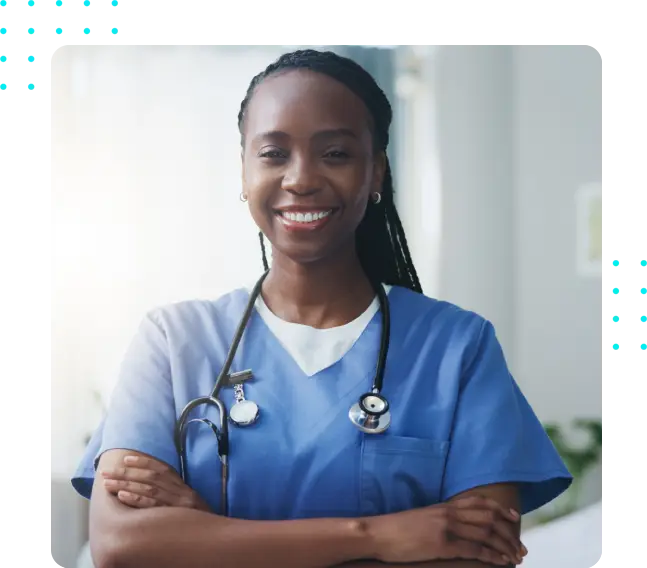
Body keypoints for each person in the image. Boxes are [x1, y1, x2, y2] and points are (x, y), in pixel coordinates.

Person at [71, 49, 572, 568]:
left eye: (335, 153)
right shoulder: (172, 341)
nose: (301, 178)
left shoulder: (458, 347)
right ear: (243, 173)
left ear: (376, 172)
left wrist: (207, 534)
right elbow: (122, 546)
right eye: (273, 154)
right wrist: (375, 535)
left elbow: (475, 557)